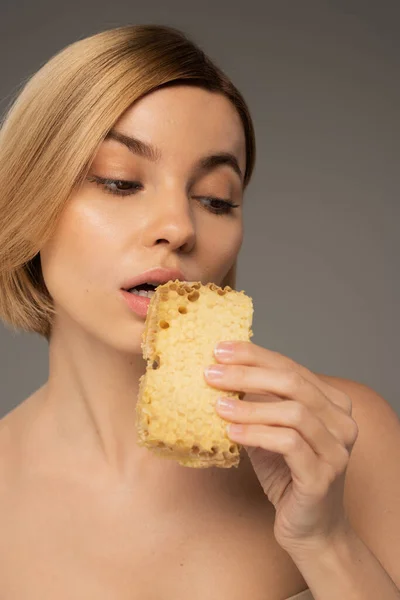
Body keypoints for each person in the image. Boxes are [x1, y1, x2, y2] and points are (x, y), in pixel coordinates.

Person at [0, 24, 399, 600]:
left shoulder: (346, 439)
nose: (181, 228)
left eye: (215, 199)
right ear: (31, 197)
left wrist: (326, 541)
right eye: (119, 181)